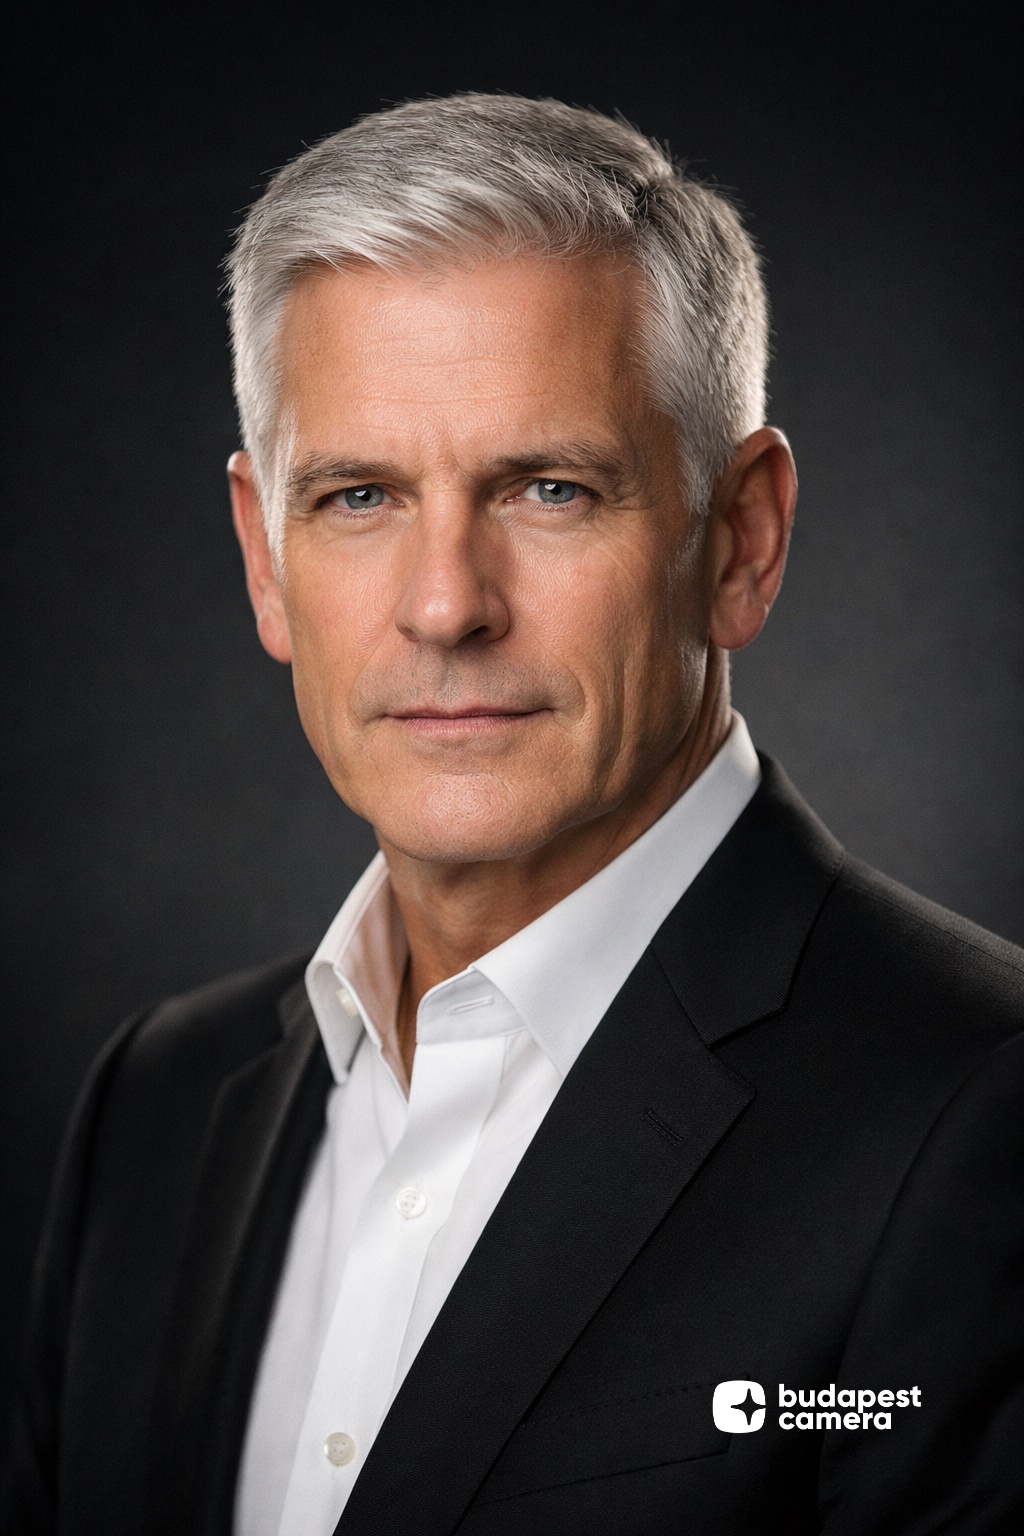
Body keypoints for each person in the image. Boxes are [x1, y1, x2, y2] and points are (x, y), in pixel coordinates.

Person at [5, 94, 1022, 1536]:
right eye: (357, 496)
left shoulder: (982, 1117)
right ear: (264, 560)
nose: (444, 604)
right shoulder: (155, 1111)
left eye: (550, 488)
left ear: (742, 538)